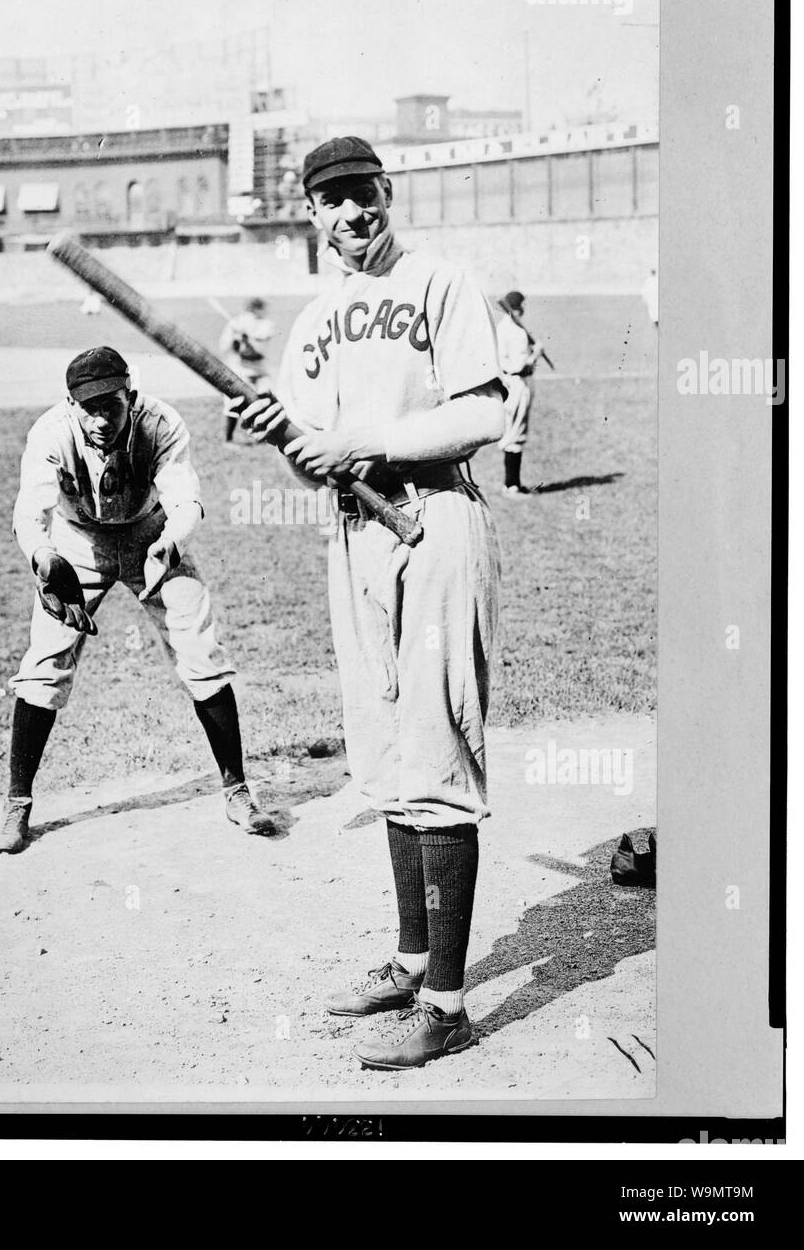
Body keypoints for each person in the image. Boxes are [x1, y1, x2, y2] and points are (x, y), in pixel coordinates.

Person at [238, 136, 506, 1070]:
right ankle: (411, 959)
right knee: (388, 757)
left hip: (431, 521)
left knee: (436, 750)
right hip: (356, 533)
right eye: (331, 200)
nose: (350, 213)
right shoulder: (315, 319)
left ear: (387, 194)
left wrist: (368, 442)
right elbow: (315, 449)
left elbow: (486, 413)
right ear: (310, 213)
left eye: (363, 194)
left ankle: (448, 1003)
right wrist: (279, 434)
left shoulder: (441, 281)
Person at [0, 345, 274, 854]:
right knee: (45, 664)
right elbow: (29, 512)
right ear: (72, 404)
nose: (100, 418)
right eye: (88, 407)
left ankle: (238, 791)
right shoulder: (51, 431)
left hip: (152, 535)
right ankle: (17, 804)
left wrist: (173, 540)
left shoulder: (160, 422)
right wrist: (44, 558)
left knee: (201, 653)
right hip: (77, 542)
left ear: (131, 396)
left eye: (111, 405)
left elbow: (185, 497)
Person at [494, 289, 544, 498]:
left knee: (517, 432)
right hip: (515, 382)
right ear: (516, 308)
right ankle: (511, 486)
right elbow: (517, 365)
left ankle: (514, 483)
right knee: (514, 433)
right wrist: (535, 355)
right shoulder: (509, 330)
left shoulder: (512, 327)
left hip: (519, 382)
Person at [219, 298, 276, 442]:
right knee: (233, 402)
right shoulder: (236, 324)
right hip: (240, 367)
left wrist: (248, 336)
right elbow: (225, 348)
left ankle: (264, 436)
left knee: (268, 399)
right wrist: (236, 339)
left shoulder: (266, 324)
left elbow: (259, 348)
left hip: (259, 367)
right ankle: (228, 439)